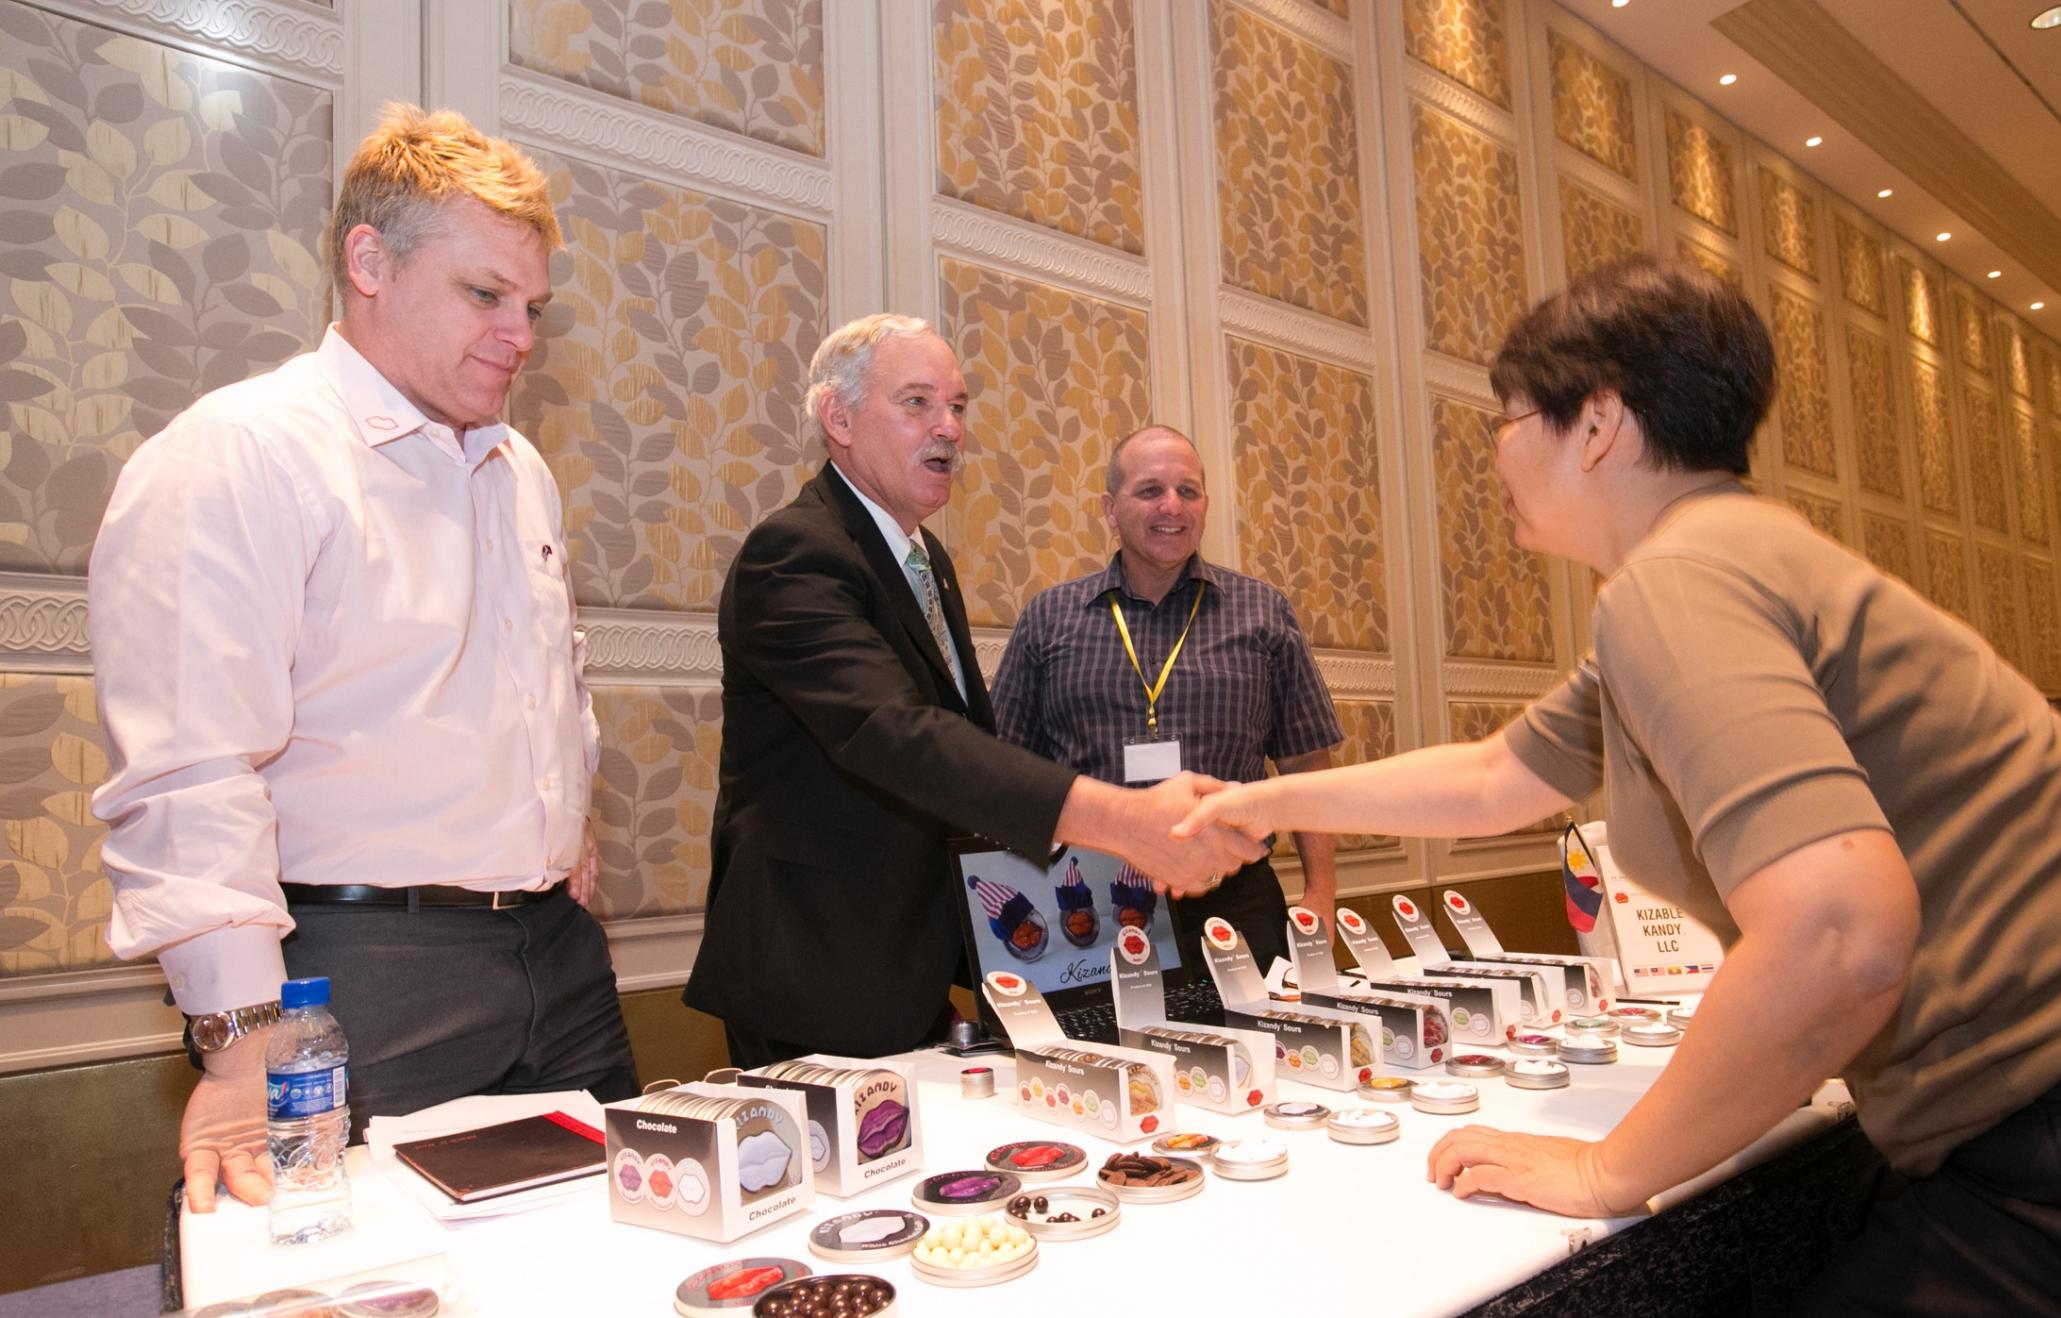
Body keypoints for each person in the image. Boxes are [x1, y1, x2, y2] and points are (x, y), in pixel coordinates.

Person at [1175, 257, 2061, 1318]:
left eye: (1508, 418)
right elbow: (1503, 775)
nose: (1496, 452)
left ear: (1597, 421)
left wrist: (1609, 1169)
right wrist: (1256, 803)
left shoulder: (1676, 585)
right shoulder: (1730, 556)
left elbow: (1836, 933)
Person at [91, 106, 640, 1214]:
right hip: (361, 972)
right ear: (368, 261)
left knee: (608, 1264)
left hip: (555, 958)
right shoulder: (241, 453)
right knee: (374, 1309)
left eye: (532, 306)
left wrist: (562, 818)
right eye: (485, 296)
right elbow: (191, 768)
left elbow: (542, 680)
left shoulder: (516, 464)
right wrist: (241, 1046)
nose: (520, 335)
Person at [683, 316, 1262, 1066]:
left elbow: (967, 751)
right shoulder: (794, 554)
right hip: (814, 967)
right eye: (918, 403)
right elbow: (900, 734)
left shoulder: (927, 560)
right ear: (839, 417)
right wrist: (1121, 819)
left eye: (957, 405)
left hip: (910, 965)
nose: (949, 428)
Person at [990, 426, 1343, 976]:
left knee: (1260, 1055)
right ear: (1110, 508)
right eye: (1150, 490)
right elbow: (1005, 768)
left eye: (1189, 490)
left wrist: (1321, 892)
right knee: (1101, 1056)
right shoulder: (1048, 618)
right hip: (1093, 908)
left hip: (1235, 902)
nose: (1171, 506)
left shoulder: (1262, 612)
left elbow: (1306, 762)